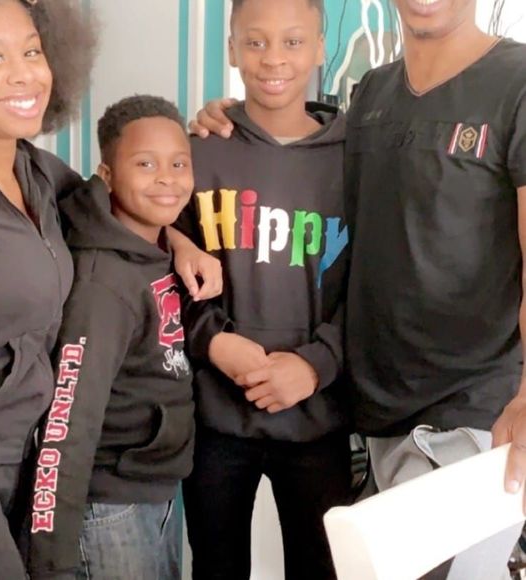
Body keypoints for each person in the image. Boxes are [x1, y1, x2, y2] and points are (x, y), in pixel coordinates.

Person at [192, 1, 526, 578]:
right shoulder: (372, 94)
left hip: (473, 410)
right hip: (375, 416)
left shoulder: (515, 82)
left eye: (293, 42)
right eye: (257, 43)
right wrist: (226, 122)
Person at [0, 1, 219, 577]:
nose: (23, 73)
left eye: (32, 51)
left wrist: (177, 240)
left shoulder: (40, 174)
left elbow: (118, 206)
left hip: (23, 465)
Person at [176, 1, 352, 579]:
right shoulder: (198, 151)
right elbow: (162, 267)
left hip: (318, 418)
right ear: (232, 49)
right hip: (215, 422)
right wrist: (212, 340)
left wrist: (317, 364)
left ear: (320, 47)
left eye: (293, 41)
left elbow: (375, 289)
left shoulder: (357, 160)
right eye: (255, 42)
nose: (274, 58)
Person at [27, 95, 195, 580]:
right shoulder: (103, 286)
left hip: (153, 488)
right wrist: (52, 559)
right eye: (145, 164)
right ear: (107, 175)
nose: (167, 178)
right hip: (109, 507)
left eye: (178, 163)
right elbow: (68, 422)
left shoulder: (153, 245)